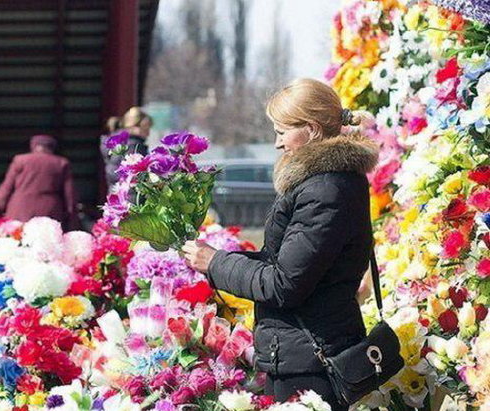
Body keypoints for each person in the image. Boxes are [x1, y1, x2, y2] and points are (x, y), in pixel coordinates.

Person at [182, 78, 379, 411]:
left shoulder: (326, 190)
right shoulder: (323, 183)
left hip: (312, 358)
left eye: (282, 131)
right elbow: (284, 263)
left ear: (312, 129)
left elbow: (284, 284)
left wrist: (216, 263)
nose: (276, 143)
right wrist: (222, 258)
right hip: (300, 351)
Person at [0, 134, 79, 230]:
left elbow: (5, 190)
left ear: (33, 146)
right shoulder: (61, 163)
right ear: (52, 147)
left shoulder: (20, 160)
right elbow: (70, 196)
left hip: (19, 212)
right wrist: (73, 224)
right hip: (49, 214)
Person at [100, 107, 152, 186]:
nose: (148, 133)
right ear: (135, 126)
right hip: (130, 193)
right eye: (146, 128)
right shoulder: (133, 144)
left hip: (119, 191)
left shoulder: (118, 141)